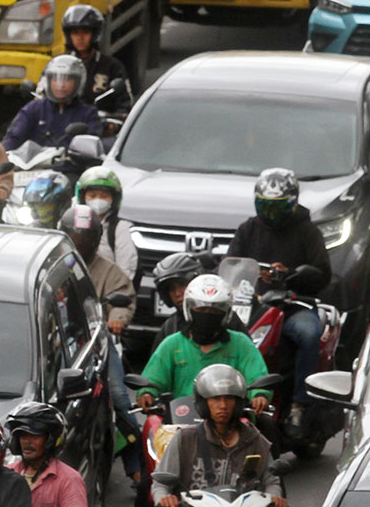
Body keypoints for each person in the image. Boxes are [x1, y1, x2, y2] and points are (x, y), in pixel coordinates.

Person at [225, 168, 329, 437]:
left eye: (277, 206)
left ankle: (299, 404)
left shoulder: (308, 231)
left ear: (292, 203)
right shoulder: (247, 229)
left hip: (294, 305)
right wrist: (248, 277)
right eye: (265, 206)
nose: (271, 212)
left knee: (309, 333)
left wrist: (292, 274)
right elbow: (229, 265)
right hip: (252, 306)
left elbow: (322, 273)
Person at [58, 204, 141, 485]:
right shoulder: (57, 265)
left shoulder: (109, 270)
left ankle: (138, 466)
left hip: (95, 342)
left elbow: (123, 298)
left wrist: (117, 318)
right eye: (75, 237)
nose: (80, 245)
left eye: (86, 239)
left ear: (96, 239)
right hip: (58, 342)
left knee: (119, 397)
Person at [136, 275, 271, 417]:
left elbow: (256, 376)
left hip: (231, 423)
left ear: (226, 313)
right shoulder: (172, 344)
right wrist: (147, 393)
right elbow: (154, 377)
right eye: (201, 310)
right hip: (181, 422)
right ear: (189, 309)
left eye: (215, 311)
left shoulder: (241, 344)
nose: (207, 315)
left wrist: (259, 395)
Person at [151, 365, 286, 507]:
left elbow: (272, 481)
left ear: (238, 402)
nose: (223, 405)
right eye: (215, 398)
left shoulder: (255, 440)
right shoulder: (185, 439)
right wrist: (164, 498)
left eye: (229, 398)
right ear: (203, 403)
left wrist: (274, 497)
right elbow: (160, 483)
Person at [2, 55, 102, 151]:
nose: (61, 85)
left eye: (67, 79)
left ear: (78, 82)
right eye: (55, 79)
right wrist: (4, 157)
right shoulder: (33, 108)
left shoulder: (88, 114)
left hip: (72, 167)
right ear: (48, 81)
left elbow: (90, 147)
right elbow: (13, 138)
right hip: (34, 167)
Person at [151, 252, 245, 347]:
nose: (177, 293)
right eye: (171, 289)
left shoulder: (227, 319)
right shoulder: (170, 327)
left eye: (182, 285)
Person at [5, 403, 87, 507]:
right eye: (23, 436)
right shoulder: (6, 474)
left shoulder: (69, 480)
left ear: (50, 441)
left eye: (34, 436)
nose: (27, 442)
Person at [61, 4, 131, 108]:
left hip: (98, 123)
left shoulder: (112, 66)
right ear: (69, 35)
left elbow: (126, 104)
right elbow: (42, 97)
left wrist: (114, 119)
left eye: (85, 32)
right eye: (75, 33)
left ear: (95, 34)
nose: (80, 38)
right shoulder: (60, 66)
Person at [76, 167, 138, 281]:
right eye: (92, 195)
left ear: (114, 199)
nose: (98, 200)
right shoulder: (73, 224)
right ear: (83, 197)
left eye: (104, 196)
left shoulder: (119, 228)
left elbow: (126, 268)